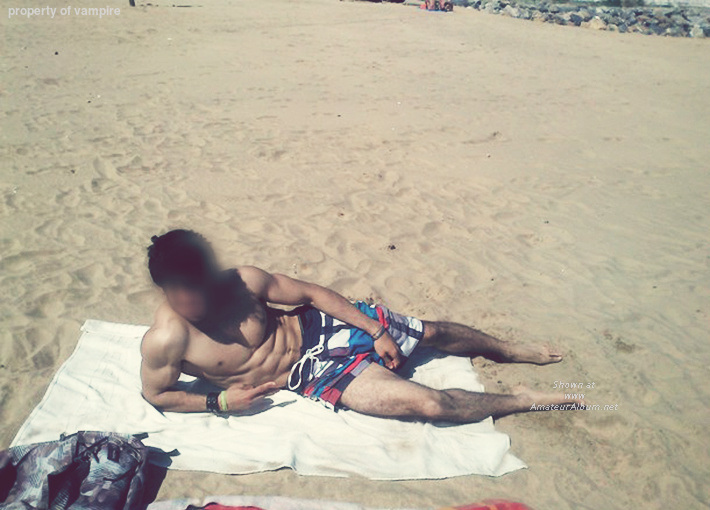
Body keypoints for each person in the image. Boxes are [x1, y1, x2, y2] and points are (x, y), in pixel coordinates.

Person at [140, 229, 583, 422]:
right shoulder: (168, 340)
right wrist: (219, 402)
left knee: (430, 333)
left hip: (320, 327)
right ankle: (522, 400)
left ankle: (506, 349)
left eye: (199, 285)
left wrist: (376, 330)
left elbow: (312, 294)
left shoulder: (242, 281)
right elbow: (157, 394)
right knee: (430, 405)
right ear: (164, 288)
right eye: (181, 291)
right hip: (311, 373)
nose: (194, 299)